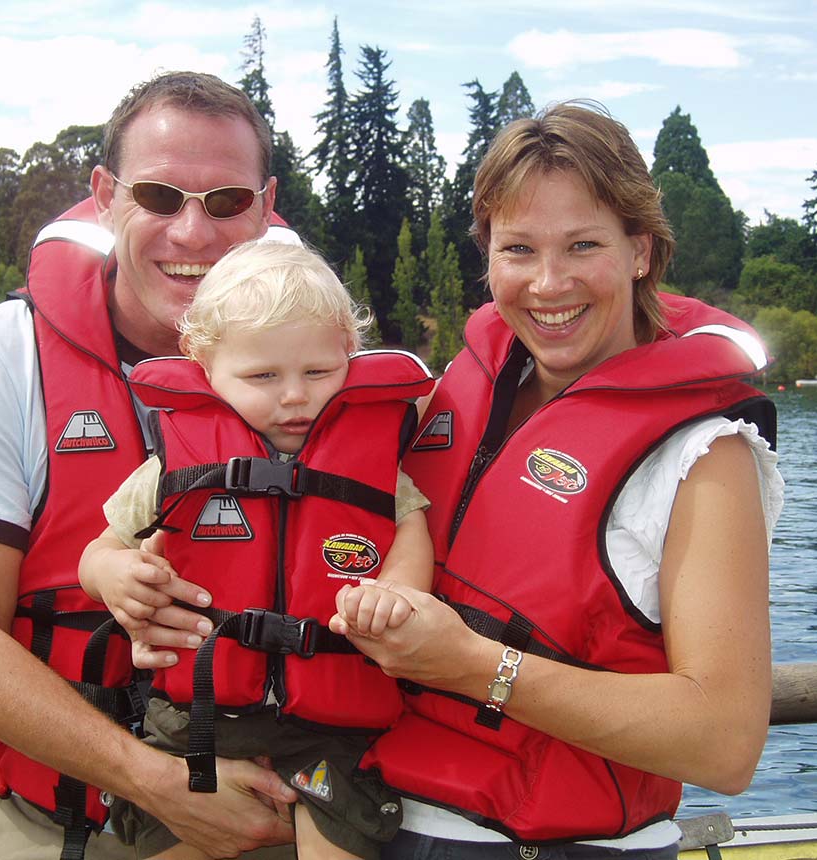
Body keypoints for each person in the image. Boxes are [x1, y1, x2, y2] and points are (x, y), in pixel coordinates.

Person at [323, 101, 784, 859]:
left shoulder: (706, 455)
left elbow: (725, 743)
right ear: (487, 255)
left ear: (640, 251)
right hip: (378, 819)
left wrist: (474, 667)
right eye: (518, 249)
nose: (548, 283)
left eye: (582, 245)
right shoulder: (453, 394)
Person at [0, 70, 305, 860]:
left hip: (278, 818)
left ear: (266, 209)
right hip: (63, 829)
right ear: (106, 195)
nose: (193, 234)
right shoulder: (0, 357)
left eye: (227, 202)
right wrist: (161, 786)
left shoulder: (313, 376)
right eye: (161, 197)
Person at [78, 239, 435, 860]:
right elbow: (99, 551)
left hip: (334, 731)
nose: (294, 396)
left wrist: (397, 593)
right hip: (199, 721)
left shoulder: (374, 459)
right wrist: (114, 573)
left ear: (349, 355)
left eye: (318, 373)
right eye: (264, 377)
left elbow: (411, 529)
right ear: (203, 364)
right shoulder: (173, 464)